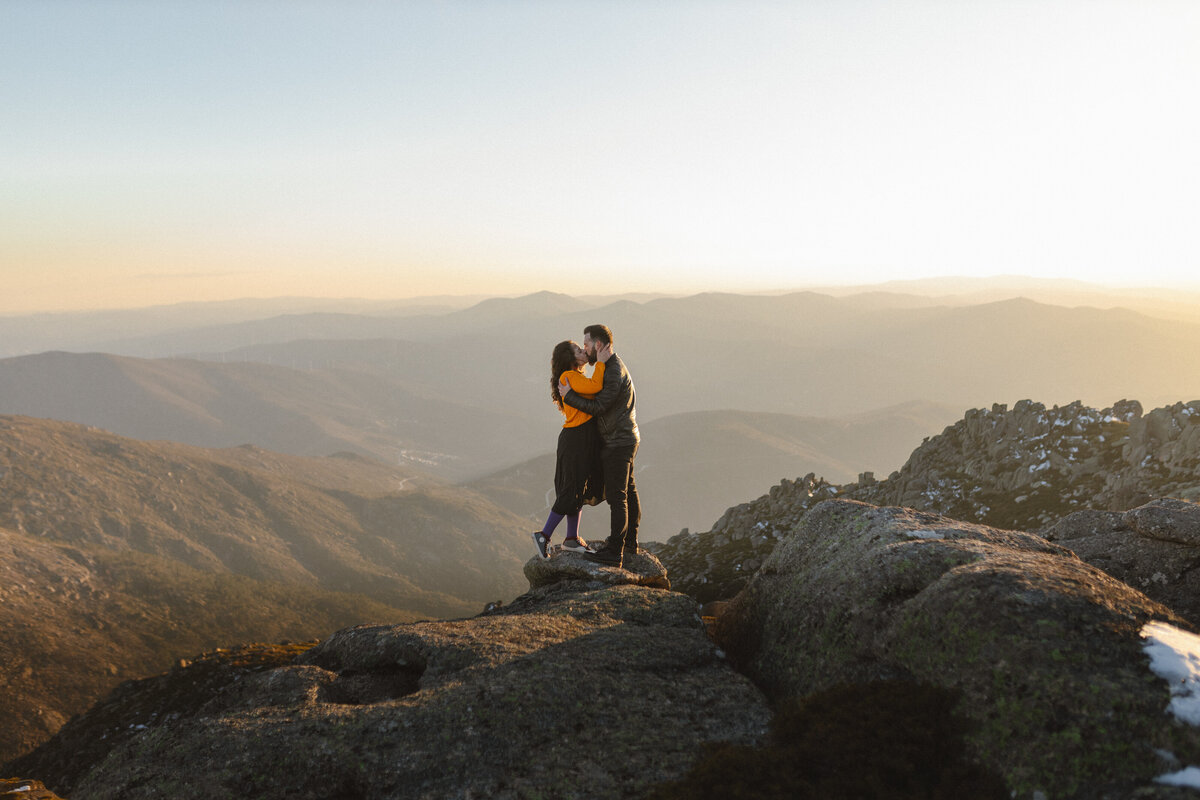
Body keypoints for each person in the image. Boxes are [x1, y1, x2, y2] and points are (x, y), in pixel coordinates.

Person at [559, 324, 640, 569]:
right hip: (624, 438)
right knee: (628, 491)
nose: (585, 349)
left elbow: (599, 407)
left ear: (599, 344)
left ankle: (615, 552)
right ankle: (628, 543)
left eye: (586, 345)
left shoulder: (613, 371)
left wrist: (568, 396)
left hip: (618, 441)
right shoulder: (613, 366)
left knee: (618, 497)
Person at [531, 339, 613, 559]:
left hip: (581, 438)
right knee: (570, 489)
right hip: (576, 439)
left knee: (578, 487)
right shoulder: (568, 377)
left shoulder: (575, 377)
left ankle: (571, 539)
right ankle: (544, 536)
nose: (583, 351)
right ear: (571, 358)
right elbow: (596, 387)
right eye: (579, 350)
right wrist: (602, 362)